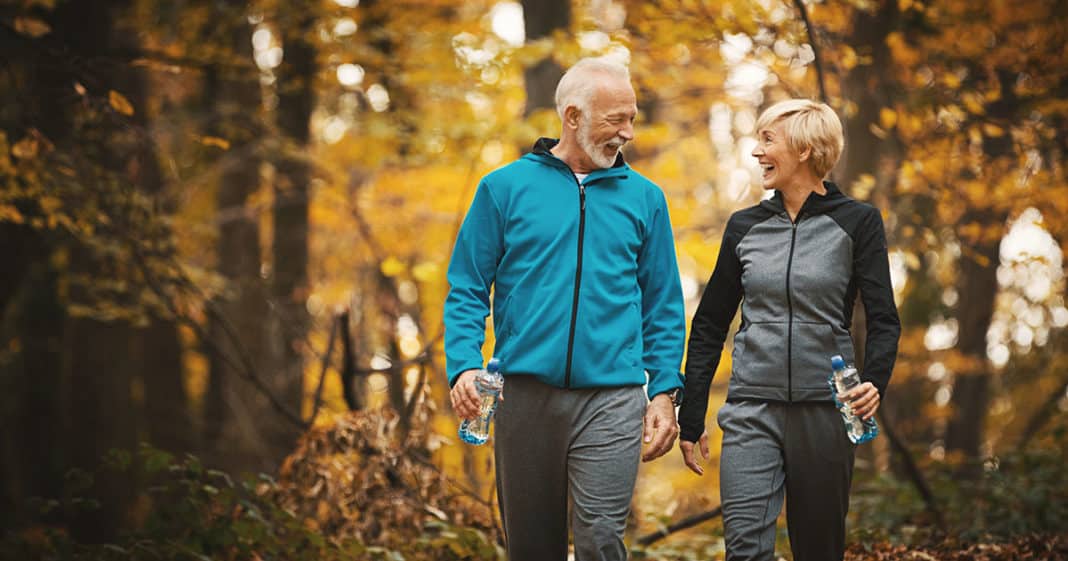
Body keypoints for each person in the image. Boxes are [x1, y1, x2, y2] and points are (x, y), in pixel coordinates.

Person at [443, 57, 686, 561]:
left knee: (601, 539)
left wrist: (664, 389)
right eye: (616, 119)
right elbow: (467, 286)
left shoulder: (646, 199)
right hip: (523, 394)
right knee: (533, 547)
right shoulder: (503, 189)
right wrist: (463, 364)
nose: (629, 132)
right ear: (572, 117)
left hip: (612, 397)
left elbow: (663, 305)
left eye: (633, 117)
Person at [676, 99, 901, 561]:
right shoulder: (745, 227)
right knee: (744, 550)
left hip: (825, 412)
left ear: (804, 148)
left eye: (767, 140)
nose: (757, 152)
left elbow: (882, 318)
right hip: (751, 409)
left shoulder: (857, 222)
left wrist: (874, 381)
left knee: (819, 549)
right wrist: (692, 413)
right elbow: (710, 324)